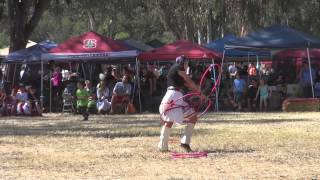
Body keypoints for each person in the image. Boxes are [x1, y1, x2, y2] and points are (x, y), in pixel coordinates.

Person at [158, 55, 207, 152]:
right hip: (173, 95)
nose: (187, 65)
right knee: (169, 121)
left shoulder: (178, 73)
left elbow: (189, 84)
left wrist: (201, 94)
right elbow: (188, 80)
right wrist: (200, 94)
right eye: (186, 63)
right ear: (183, 62)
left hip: (177, 96)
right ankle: (162, 146)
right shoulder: (177, 67)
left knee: (193, 117)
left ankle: (184, 142)